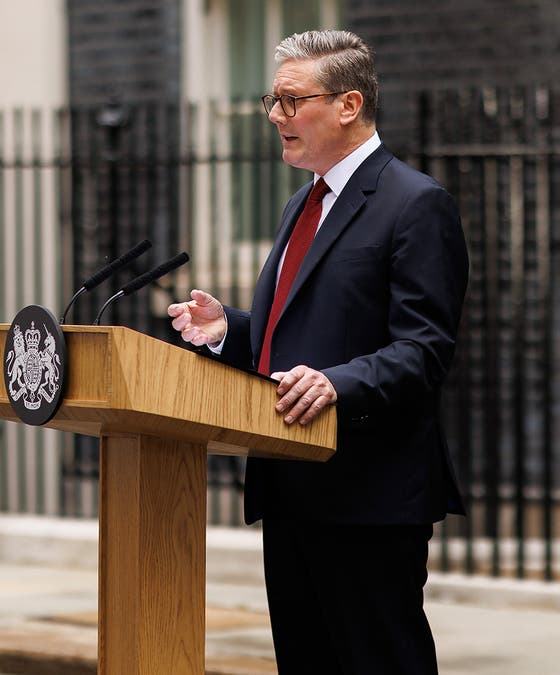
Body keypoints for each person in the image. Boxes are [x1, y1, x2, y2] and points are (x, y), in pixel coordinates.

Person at [167, 30, 468, 674]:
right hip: (290, 478)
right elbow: (302, 334)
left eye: (291, 100)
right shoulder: (300, 204)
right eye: (272, 101)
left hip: (368, 488)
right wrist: (230, 330)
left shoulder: (416, 204)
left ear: (348, 105)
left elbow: (425, 350)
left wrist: (337, 384)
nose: (276, 117)